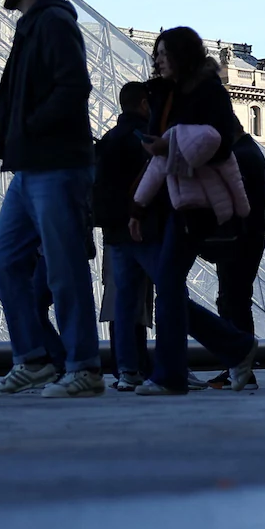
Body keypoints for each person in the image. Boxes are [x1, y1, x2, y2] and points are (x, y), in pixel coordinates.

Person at [0, 0, 103, 398]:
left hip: (56, 164)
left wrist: (30, 128)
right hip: (30, 166)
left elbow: (75, 86)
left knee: (64, 268)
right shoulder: (33, 24)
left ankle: (84, 367)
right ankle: (33, 357)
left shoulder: (54, 22)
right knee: (3, 261)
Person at [127, 28, 259, 396]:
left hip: (199, 202)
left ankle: (171, 374)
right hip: (170, 200)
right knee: (169, 287)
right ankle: (236, 346)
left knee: (168, 282)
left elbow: (218, 146)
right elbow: (157, 157)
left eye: (164, 52)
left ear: (183, 54)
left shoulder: (209, 92)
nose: (158, 59)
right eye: (156, 53)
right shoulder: (161, 93)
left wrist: (172, 148)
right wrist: (137, 207)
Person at [93, 82, 156, 391]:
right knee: (150, 301)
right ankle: (139, 366)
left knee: (122, 301)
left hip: (114, 232)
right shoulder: (144, 140)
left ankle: (127, 368)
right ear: (144, 104)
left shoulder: (108, 140)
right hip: (143, 228)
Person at [199, 132, 265, 389]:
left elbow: (241, 203)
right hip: (245, 238)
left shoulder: (240, 155)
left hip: (238, 240)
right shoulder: (248, 151)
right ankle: (236, 366)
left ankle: (240, 366)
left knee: (234, 302)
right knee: (233, 300)